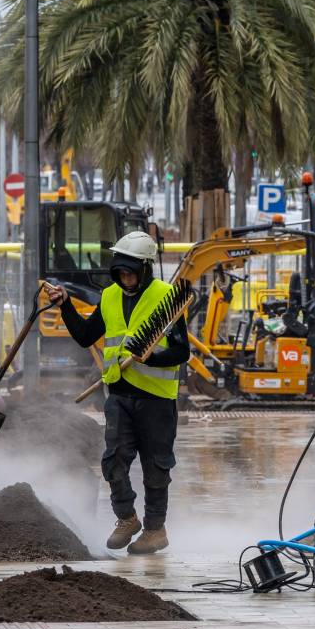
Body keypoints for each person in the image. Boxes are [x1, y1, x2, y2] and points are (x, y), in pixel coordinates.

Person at [45, 231, 189, 555]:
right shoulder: (109, 297)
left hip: (157, 400)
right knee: (113, 460)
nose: (125, 279)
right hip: (120, 396)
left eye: (130, 272)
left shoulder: (167, 298)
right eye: (120, 273)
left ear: (145, 268)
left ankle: (155, 530)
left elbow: (182, 352)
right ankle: (126, 517)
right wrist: (67, 306)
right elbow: (85, 336)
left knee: (156, 468)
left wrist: (151, 356)